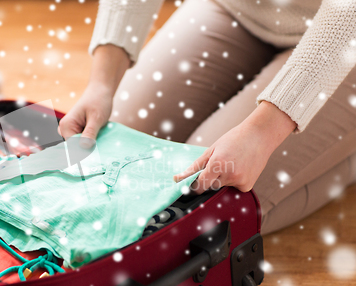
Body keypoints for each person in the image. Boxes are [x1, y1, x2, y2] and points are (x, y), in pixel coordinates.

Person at [58, 0, 356, 234]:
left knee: (208, 207)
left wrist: (262, 133)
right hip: (238, 9)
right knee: (116, 153)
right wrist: (102, 82)